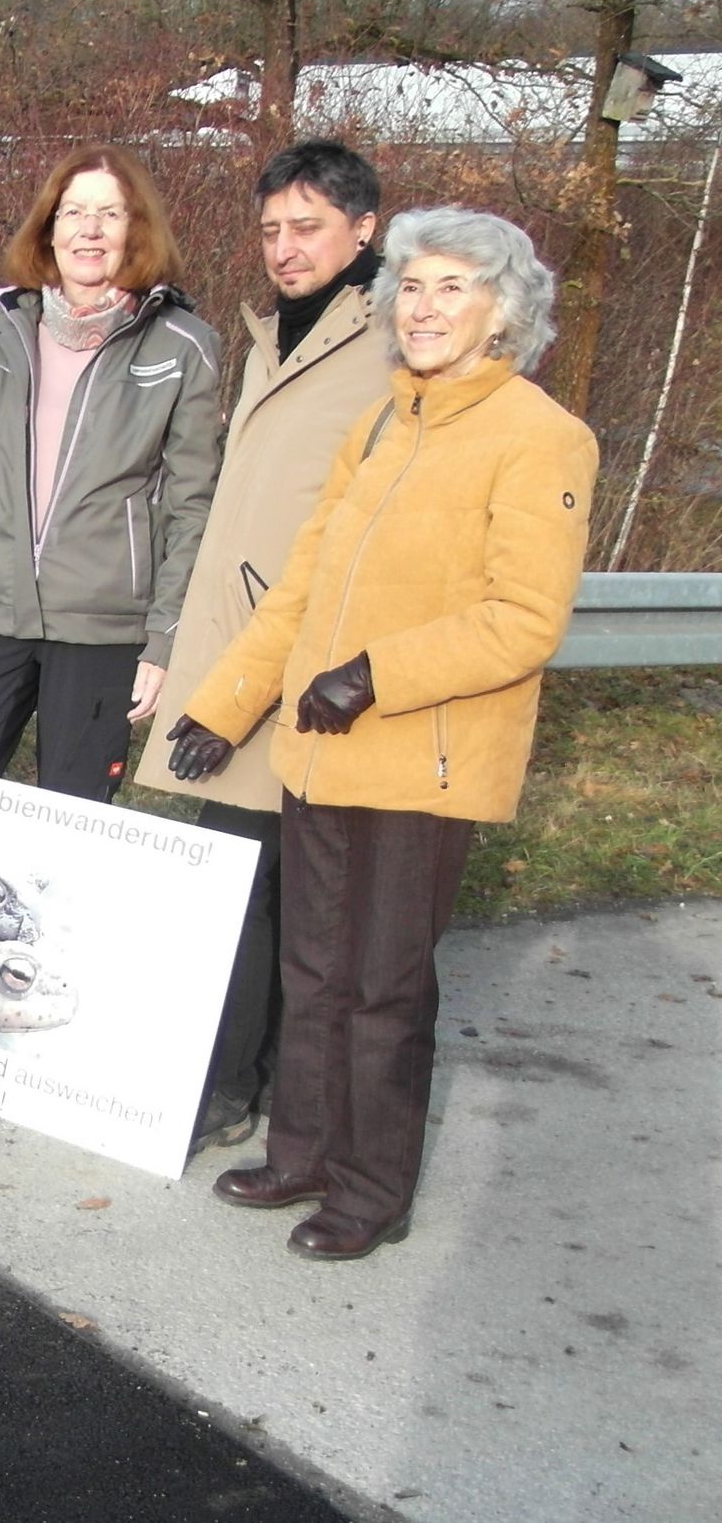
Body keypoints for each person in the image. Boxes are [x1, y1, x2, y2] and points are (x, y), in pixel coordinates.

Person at [167, 208, 596, 1260]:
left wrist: (375, 677)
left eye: (455, 287)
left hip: (425, 764)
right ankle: (302, 1151)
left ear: (504, 312)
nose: (427, 307)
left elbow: (524, 619)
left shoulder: (542, 436)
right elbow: (304, 586)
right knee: (313, 972)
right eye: (413, 285)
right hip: (319, 752)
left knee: (383, 984)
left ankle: (370, 1188)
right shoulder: (382, 423)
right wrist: (226, 705)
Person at [134, 142, 390, 1158]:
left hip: (308, 661)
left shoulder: (389, 342)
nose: (284, 248)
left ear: (364, 228)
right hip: (238, 647)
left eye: (308, 227)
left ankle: (254, 1087)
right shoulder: (273, 334)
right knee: (250, 879)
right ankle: (251, 1079)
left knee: (278, 886)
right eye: (273, 229)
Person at [0, 146, 221, 802]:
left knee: (73, 827)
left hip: (103, 625)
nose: (91, 229)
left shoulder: (182, 345)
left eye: (110, 213)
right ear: (49, 227)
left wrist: (166, 640)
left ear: (138, 229)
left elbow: (192, 507)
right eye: (74, 212)